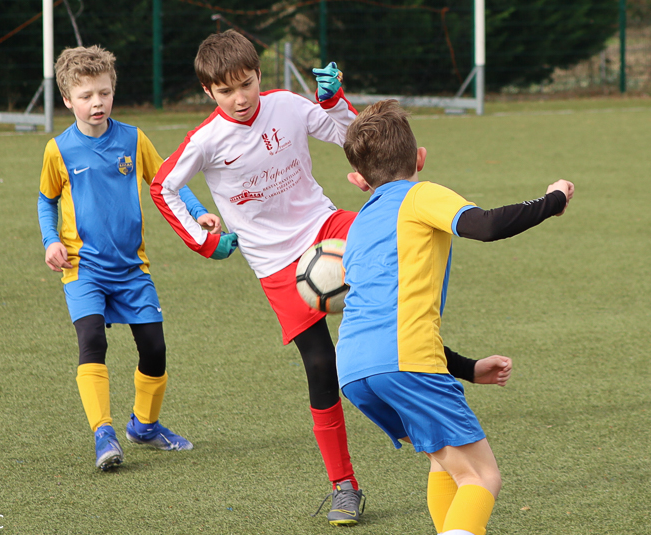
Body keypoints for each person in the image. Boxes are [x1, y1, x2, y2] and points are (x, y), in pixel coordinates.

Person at [150, 29, 367, 525]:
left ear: (258, 76)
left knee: (387, 236)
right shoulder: (205, 141)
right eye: (225, 91)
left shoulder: (288, 105)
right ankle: (344, 486)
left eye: (245, 84)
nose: (239, 98)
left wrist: (333, 103)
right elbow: (164, 186)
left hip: (324, 226)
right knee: (319, 364)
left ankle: (426, 366)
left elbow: (350, 138)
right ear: (209, 93)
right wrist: (205, 241)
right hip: (276, 264)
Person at [336, 100, 574, 535]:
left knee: (444, 464)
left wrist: (467, 369)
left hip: (354, 369)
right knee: (481, 476)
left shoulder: (359, 224)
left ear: (358, 180)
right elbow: (485, 225)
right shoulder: (420, 193)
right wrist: (552, 200)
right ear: (420, 158)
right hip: (405, 361)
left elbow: (391, 318)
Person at [37, 45, 230, 471]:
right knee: (93, 342)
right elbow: (46, 199)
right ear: (67, 99)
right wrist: (51, 239)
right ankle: (103, 433)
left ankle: (144, 425)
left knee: (155, 348)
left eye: (103, 93)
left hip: (131, 269)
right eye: (86, 96)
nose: (97, 103)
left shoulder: (133, 138)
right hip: (82, 267)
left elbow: (169, 180)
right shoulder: (59, 150)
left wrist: (199, 215)